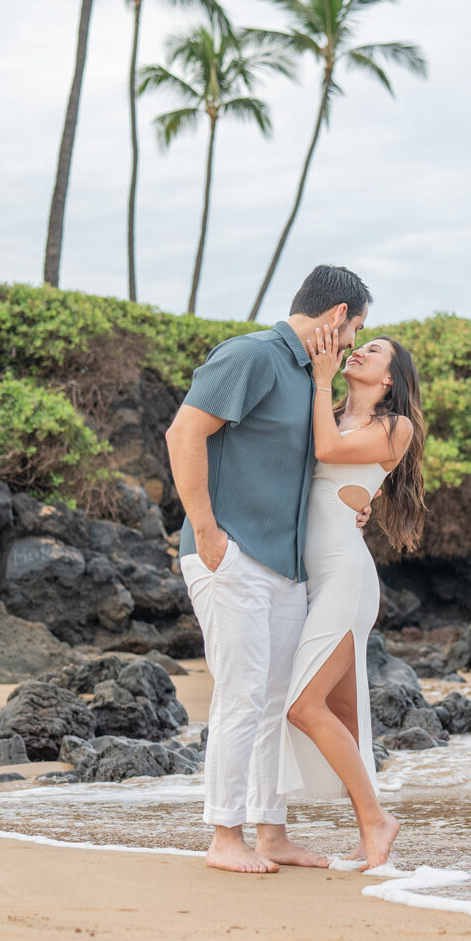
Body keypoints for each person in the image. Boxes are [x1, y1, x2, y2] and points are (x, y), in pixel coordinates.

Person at [164, 265, 373, 874]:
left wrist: (355, 512)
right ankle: (223, 836)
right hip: (232, 555)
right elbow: (184, 433)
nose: (355, 342)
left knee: (277, 700)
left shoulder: (312, 377)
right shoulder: (251, 355)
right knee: (242, 692)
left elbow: (313, 469)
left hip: (286, 565)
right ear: (337, 316)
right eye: (356, 329)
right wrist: (206, 531)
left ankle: (270, 833)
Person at [278, 327, 426, 871]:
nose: (358, 350)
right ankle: (371, 830)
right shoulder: (329, 410)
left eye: (373, 351)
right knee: (342, 711)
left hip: (345, 574)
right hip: (308, 577)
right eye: (361, 343)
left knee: (303, 706)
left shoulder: (395, 425)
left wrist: (319, 381)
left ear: (388, 379)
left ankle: (378, 821)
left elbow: (328, 451)